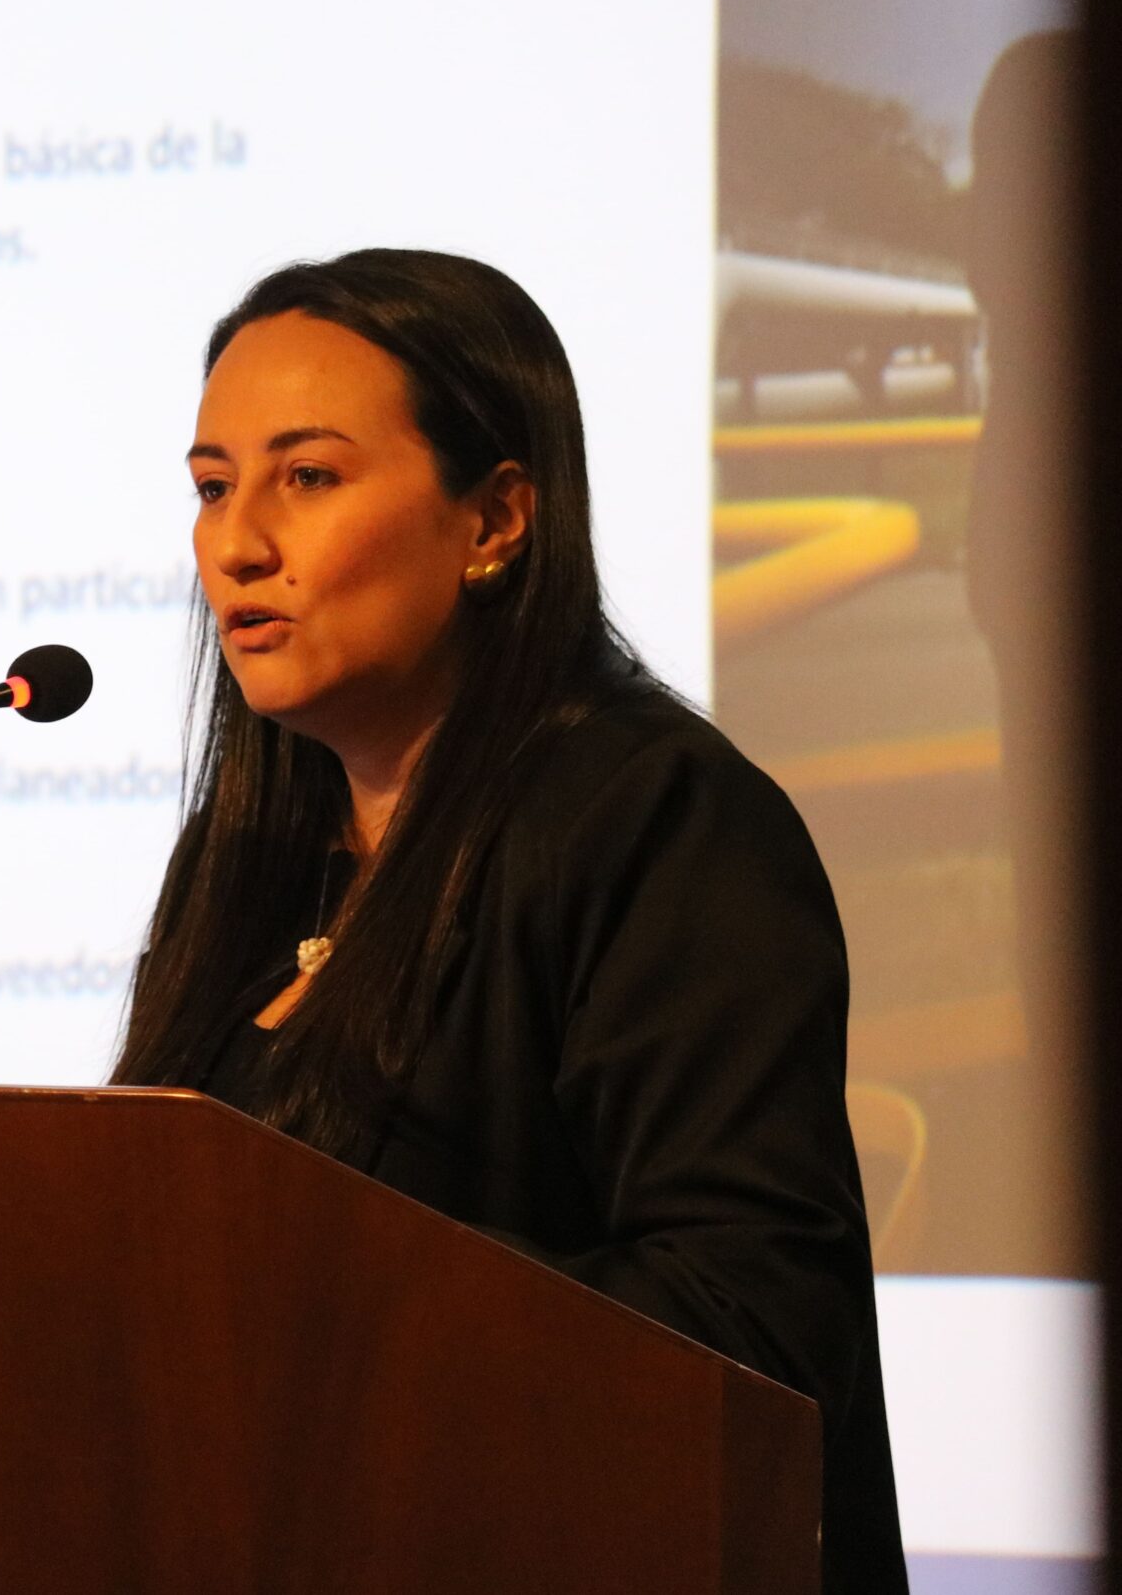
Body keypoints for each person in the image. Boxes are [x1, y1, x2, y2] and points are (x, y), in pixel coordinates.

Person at [112, 249, 907, 1593]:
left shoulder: (658, 820)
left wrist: (323, 1300)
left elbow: (754, 1326)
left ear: (494, 521)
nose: (237, 543)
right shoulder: (244, 861)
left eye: (309, 478)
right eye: (212, 487)